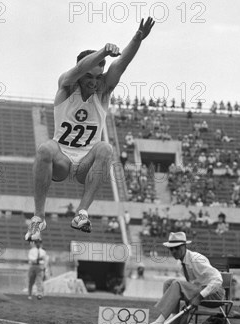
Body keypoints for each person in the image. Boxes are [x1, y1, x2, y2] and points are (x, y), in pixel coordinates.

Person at [25, 17, 155, 241]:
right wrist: (103, 51)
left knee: (105, 147)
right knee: (45, 148)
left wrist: (137, 38)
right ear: (80, 75)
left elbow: (120, 64)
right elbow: (79, 68)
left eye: (98, 76)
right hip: (61, 158)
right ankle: (38, 218)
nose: (94, 82)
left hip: (87, 159)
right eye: (89, 77)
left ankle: (82, 212)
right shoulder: (66, 86)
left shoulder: (103, 91)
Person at [138, 232, 224, 324]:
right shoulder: (180, 263)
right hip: (200, 291)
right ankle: (172, 318)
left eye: (177, 248)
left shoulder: (196, 259)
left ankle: (158, 323)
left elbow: (218, 279)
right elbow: (193, 284)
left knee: (177, 284)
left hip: (215, 295)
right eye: (171, 249)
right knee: (169, 283)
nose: (174, 251)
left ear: (184, 246)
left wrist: (200, 296)